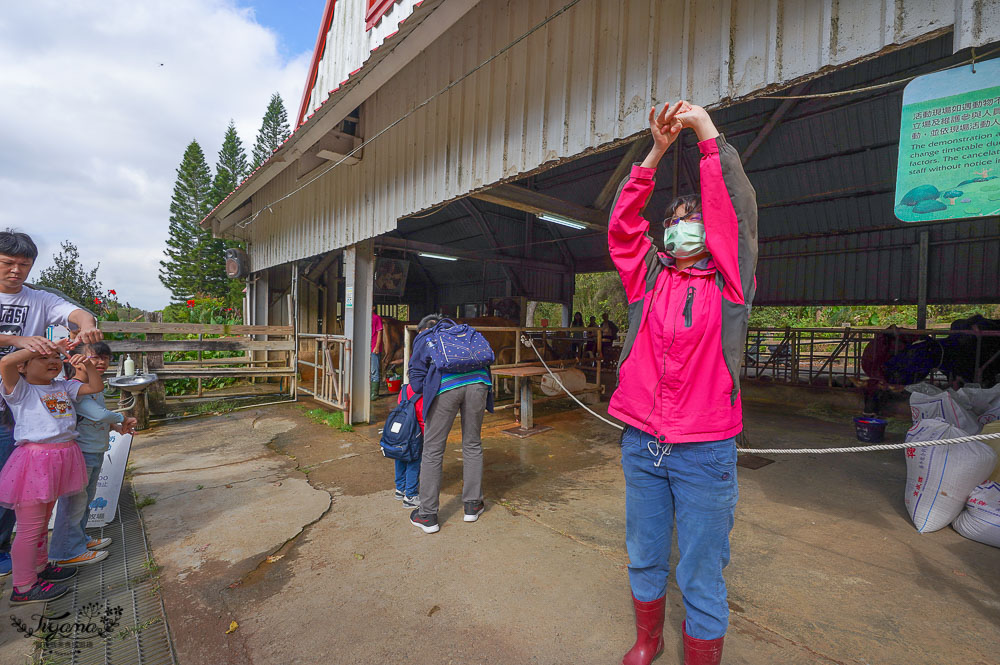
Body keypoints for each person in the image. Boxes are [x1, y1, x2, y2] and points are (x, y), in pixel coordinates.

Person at [608, 100, 756, 665]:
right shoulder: (646, 276)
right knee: (644, 551)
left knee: (700, 566)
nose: (683, 227)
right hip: (642, 443)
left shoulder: (731, 284)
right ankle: (648, 639)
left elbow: (737, 215)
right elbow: (623, 226)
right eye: (674, 221)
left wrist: (705, 133)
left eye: (693, 219)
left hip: (706, 450)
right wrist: (658, 149)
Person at [0, 230, 103, 579]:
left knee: (21, 498)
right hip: (18, 393)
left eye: (23, 265)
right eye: (8, 263)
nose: (16, 271)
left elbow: (76, 314)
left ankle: (20, 564)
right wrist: (18, 340)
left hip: (18, 411)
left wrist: (87, 325)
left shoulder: (39, 299)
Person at [0, 342, 105, 603]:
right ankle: (23, 587)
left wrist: (89, 365)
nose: (53, 361)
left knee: (43, 520)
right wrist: (41, 344)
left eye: (57, 357)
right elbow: (5, 363)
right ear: (23, 366)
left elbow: (95, 387)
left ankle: (40, 567)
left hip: (63, 457)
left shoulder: (62, 386)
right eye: (42, 357)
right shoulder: (20, 390)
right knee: (30, 527)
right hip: (35, 462)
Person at [50, 343, 136, 566]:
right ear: (75, 360)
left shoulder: (93, 387)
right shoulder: (74, 388)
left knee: (84, 501)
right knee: (74, 503)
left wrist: (116, 427)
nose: (101, 363)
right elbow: (97, 414)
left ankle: (79, 541)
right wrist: (121, 419)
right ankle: (66, 552)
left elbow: (97, 419)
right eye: (95, 357)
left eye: (105, 358)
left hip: (94, 451)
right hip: (81, 453)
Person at [408, 315, 494, 534]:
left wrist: (426, 387)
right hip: (479, 384)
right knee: (472, 444)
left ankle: (427, 515)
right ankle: (473, 506)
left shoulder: (426, 336)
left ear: (423, 329)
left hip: (446, 388)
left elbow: (416, 381)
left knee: (433, 450)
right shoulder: (466, 333)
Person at [391, 315, 438, 509]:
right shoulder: (425, 391)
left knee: (400, 458)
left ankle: (399, 489)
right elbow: (425, 416)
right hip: (416, 432)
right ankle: (410, 495)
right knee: (413, 461)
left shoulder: (405, 388)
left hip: (401, 432)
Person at [371, 308, 384, 402]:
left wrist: (377, 346)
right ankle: (370, 392)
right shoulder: (365, 318)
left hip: (374, 347)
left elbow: (380, 333)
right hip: (366, 347)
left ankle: (374, 394)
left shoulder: (376, 318)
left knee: (374, 370)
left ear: (373, 308)